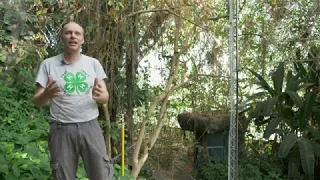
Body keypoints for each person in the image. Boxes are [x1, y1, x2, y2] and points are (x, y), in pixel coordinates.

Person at [33, 22, 114, 180]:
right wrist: (47, 95)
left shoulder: (93, 64)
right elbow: (37, 101)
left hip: (91, 127)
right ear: (62, 38)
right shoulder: (48, 65)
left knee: (102, 175)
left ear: (82, 39)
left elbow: (105, 97)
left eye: (77, 33)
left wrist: (101, 96)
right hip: (61, 129)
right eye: (68, 33)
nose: (73, 36)